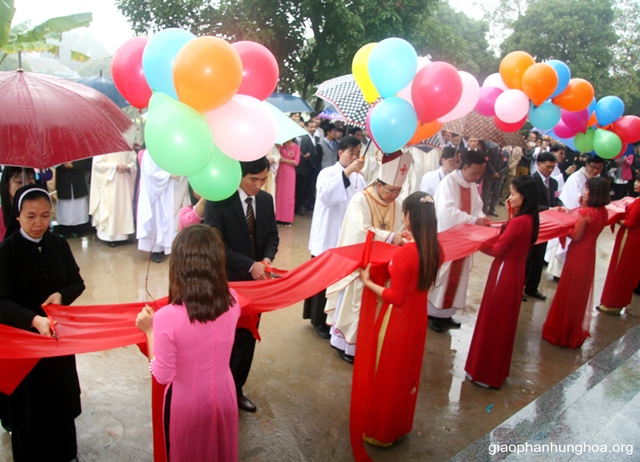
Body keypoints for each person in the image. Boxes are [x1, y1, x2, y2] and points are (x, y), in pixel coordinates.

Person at [135, 225, 240, 462]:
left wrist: (149, 330)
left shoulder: (167, 318)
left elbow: (162, 375)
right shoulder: (233, 301)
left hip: (187, 406)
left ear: (179, 267)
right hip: (225, 395)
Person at [0, 185, 85, 462]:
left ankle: (65, 453)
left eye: (46, 216)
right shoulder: (6, 252)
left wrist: (62, 295)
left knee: (60, 401)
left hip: (56, 339)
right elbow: (1, 301)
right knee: (28, 406)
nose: (39, 224)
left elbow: (77, 282)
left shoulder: (58, 244)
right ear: (17, 217)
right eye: (31, 216)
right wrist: (33, 319)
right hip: (23, 342)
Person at [358, 191, 441, 445]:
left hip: (396, 321)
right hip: (418, 319)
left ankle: (380, 431)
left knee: (387, 374)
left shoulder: (406, 254)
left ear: (407, 217)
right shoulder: (436, 248)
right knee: (406, 375)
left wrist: (367, 282)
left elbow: (394, 297)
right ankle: (399, 424)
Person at [204, 157, 279, 412]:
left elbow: (272, 235)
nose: (258, 186)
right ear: (239, 176)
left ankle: (235, 388)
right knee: (222, 338)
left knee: (247, 338)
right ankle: (214, 389)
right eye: (253, 180)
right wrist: (250, 264)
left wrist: (267, 258)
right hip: (226, 281)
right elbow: (217, 246)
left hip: (257, 285)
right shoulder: (219, 200)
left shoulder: (266, 200)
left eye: (263, 180)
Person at [326, 151, 410, 362]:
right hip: (360, 266)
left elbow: (400, 229)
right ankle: (345, 346)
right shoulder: (360, 199)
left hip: (383, 268)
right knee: (355, 306)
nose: (394, 195)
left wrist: (403, 237)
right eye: (391, 190)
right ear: (379, 184)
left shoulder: (396, 204)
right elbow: (359, 230)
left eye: (398, 191)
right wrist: (391, 236)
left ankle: (368, 344)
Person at [465, 176, 539, 388]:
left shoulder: (519, 222)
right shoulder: (530, 219)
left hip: (503, 272)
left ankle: (484, 372)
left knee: (493, 320)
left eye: (514, 194)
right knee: (504, 322)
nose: (509, 197)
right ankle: (495, 371)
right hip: (516, 272)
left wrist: (477, 243)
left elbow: (498, 249)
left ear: (524, 197)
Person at [304, 136, 365, 338]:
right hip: (328, 234)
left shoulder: (360, 178)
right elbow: (326, 196)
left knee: (340, 281)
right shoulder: (327, 173)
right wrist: (347, 172)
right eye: (351, 153)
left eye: (358, 153)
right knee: (323, 280)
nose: (355, 157)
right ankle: (319, 321)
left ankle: (335, 318)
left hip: (347, 236)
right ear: (340, 153)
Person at [542, 177, 610, 348]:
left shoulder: (586, 213)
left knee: (569, 290)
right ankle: (572, 327)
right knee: (579, 293)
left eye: (587, 190)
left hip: (577, 254)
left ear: (593, 193)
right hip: (589, 254)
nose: (584, 192)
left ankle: (561, 330)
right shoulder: (603, 212)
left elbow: (576, 236)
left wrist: (564, 228)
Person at [428, 150, 490, 333]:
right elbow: (446, 212)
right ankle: (432, 314)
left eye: (480, 173)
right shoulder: (449, 182)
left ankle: (446, 313)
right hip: (448, 240)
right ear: (464, 167)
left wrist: (481, 218)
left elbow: (478, 207)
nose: (477, 177)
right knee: (442, 276)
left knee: (458, 278)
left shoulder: (470, 185)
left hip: (464, 241)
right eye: (474, 173)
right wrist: (473, 220)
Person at [547, 155, 605, 279]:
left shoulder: (597, 180)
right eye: (593, 167)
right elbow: (574, 199)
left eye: (599, 168)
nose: (595, 171)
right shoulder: (576, 177)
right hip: (575, 216)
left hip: (587, 218)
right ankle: (558, 274)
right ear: (587, 165)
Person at [523, 152, 565, 301]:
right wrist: (548, 209)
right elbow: (528, 203)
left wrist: (560, 205)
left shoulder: (553, 182)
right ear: (539, 164)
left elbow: (555, 198)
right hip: (532, 223)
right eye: (548, 167)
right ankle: (520, 287)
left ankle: (532, 287)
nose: (550, 170)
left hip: (546, 226)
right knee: (527, 257)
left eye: (553, 167)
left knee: (539, 258)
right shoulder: (531, 181)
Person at [597, 173, 640, 315]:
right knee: (627, 272)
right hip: (634, 240)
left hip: (630, 239)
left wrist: (616, 219)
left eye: (639, 181)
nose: (636, 183)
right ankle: (618, 302)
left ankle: (611, 303)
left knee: (619, 270)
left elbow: (630, 223)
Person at [136, 151, 190, 263]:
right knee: (156, 220)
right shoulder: (150, 153)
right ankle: (154, 250)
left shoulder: (169, 149)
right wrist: (168, 175)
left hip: (169, 192)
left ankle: (167, 246)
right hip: (156, 196)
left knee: (169, 219)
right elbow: (150, 175)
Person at [89, 151, 137, 246]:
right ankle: (109, 237)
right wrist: (114, 166)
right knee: (111, 207)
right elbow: (97, 164)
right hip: (110, 183)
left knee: (123, 207)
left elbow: (134, 160)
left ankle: (124, 236)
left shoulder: (126, 145)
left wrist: (128, 167)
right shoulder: (103, 147)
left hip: (124, 183)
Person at [55, 159, 93, 238]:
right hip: (63, 179)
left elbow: (87, 161)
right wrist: (64, 165)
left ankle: (79, 229)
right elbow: (53, 161)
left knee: (79, 205)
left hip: (78, 179)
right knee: (65, 206)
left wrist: (74, 165)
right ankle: (65, 229)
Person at [0, 167, 36, 240]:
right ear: (7, 184)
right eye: (19, 182)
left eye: (31, 183)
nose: (25, 187)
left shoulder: (38, 214)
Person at [275, 138, 300, 225]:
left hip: (290, 173)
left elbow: (296, 162)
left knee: (288, 194)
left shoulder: (296, 147)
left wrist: (284, 160)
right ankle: (277, 216)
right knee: (279, 193)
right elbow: (276, 157)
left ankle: (287, 218)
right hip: (280, 171)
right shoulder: (281, 146)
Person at [481, 143, 508, 217]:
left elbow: (506, 165)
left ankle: (492, 210)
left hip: (499, 177)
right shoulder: (491, 150)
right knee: (486, 193)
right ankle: (484, 210)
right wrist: (493, 172)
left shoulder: (506, 153)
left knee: (496, 194)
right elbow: (488, 162)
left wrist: (499, 173)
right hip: (490, 175)